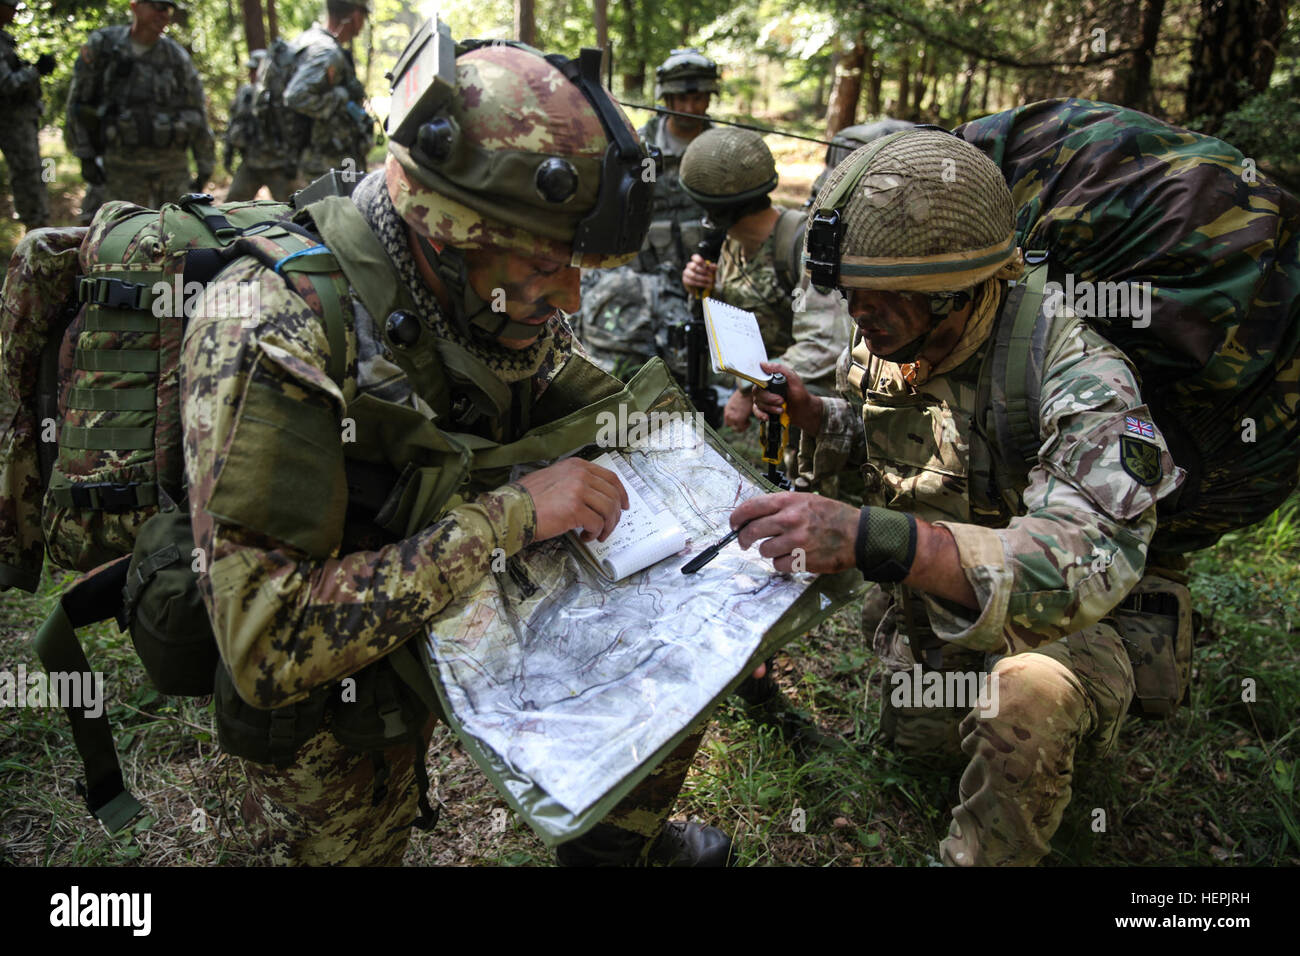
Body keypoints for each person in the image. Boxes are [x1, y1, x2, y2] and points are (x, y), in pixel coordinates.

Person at [180, 31, 733, 867]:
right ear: (449, 230)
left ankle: (614, 840)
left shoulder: (488, 291)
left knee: (673, 631)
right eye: (554, 264)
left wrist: (695, 475)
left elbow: (577, 392)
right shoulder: (270, 324)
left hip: (444, 557)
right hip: (335, 651)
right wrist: (511, 514)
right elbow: (269, 643)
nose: (573, 294)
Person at [735, 127, 1185, 865]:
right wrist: (817, 416)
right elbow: (887, 435)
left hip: (1065, 628)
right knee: (923, 750)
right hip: (938, 620)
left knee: (1025, 702)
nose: (859, 315)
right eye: (849, 295)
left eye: (878, 299)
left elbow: (1087, 555)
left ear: (955, 293)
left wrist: (877, 540)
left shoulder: (1077, 370)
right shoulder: (889, 335)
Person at [678, 126, 849, 492]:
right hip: (777, 410)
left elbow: (825, 344)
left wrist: (745, 390)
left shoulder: (801, 245)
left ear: (712, 209)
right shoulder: (731, 244)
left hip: (825, 419)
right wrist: (702, 289)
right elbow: (739, 314)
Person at [577, 48, 720, 382]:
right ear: (664, 99)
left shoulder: (723, 152)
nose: (688, 108)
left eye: (697, 98)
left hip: (704, 284)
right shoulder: (636, 148)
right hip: (639, 282)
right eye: (678, 98)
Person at [64, 0, 214, 209]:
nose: (163, 14)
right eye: (157, 6)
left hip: (170, 168)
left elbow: (197, 112)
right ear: (135, 6)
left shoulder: (176, 57)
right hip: (121, 168)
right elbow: (78, 104)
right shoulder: (105, 46)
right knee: (122, 234)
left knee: (178, 233)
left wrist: (205, 163)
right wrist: (85, 155)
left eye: (168, 9)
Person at [284, 0, 372, 185]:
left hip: (324, 159)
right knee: (340, 212)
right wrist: (342, 97)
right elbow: (296, 96)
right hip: (327, 163)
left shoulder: (307, 40)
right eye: (364, 17)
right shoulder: (327, 52)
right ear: (356, 16)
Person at [0, 0, 52, 229]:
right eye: (10, 5)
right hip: (11, 123)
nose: (15, 10)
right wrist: (35, 71)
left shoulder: (4, 40)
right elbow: (7, 83)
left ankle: (36, 224)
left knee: (35, 173)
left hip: (17, 122)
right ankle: (35, 227)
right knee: (28, 175)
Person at [225, 49, 297, 202]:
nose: (252, 75)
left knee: (293, 207)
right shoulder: (244, 94)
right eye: (250, 70)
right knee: (232, 205)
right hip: (251, 163)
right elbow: (233, 124)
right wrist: (228, 155)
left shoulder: (278, 96)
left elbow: (290, 128)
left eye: (255, 70)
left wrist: (292, 160)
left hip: (276, 164)